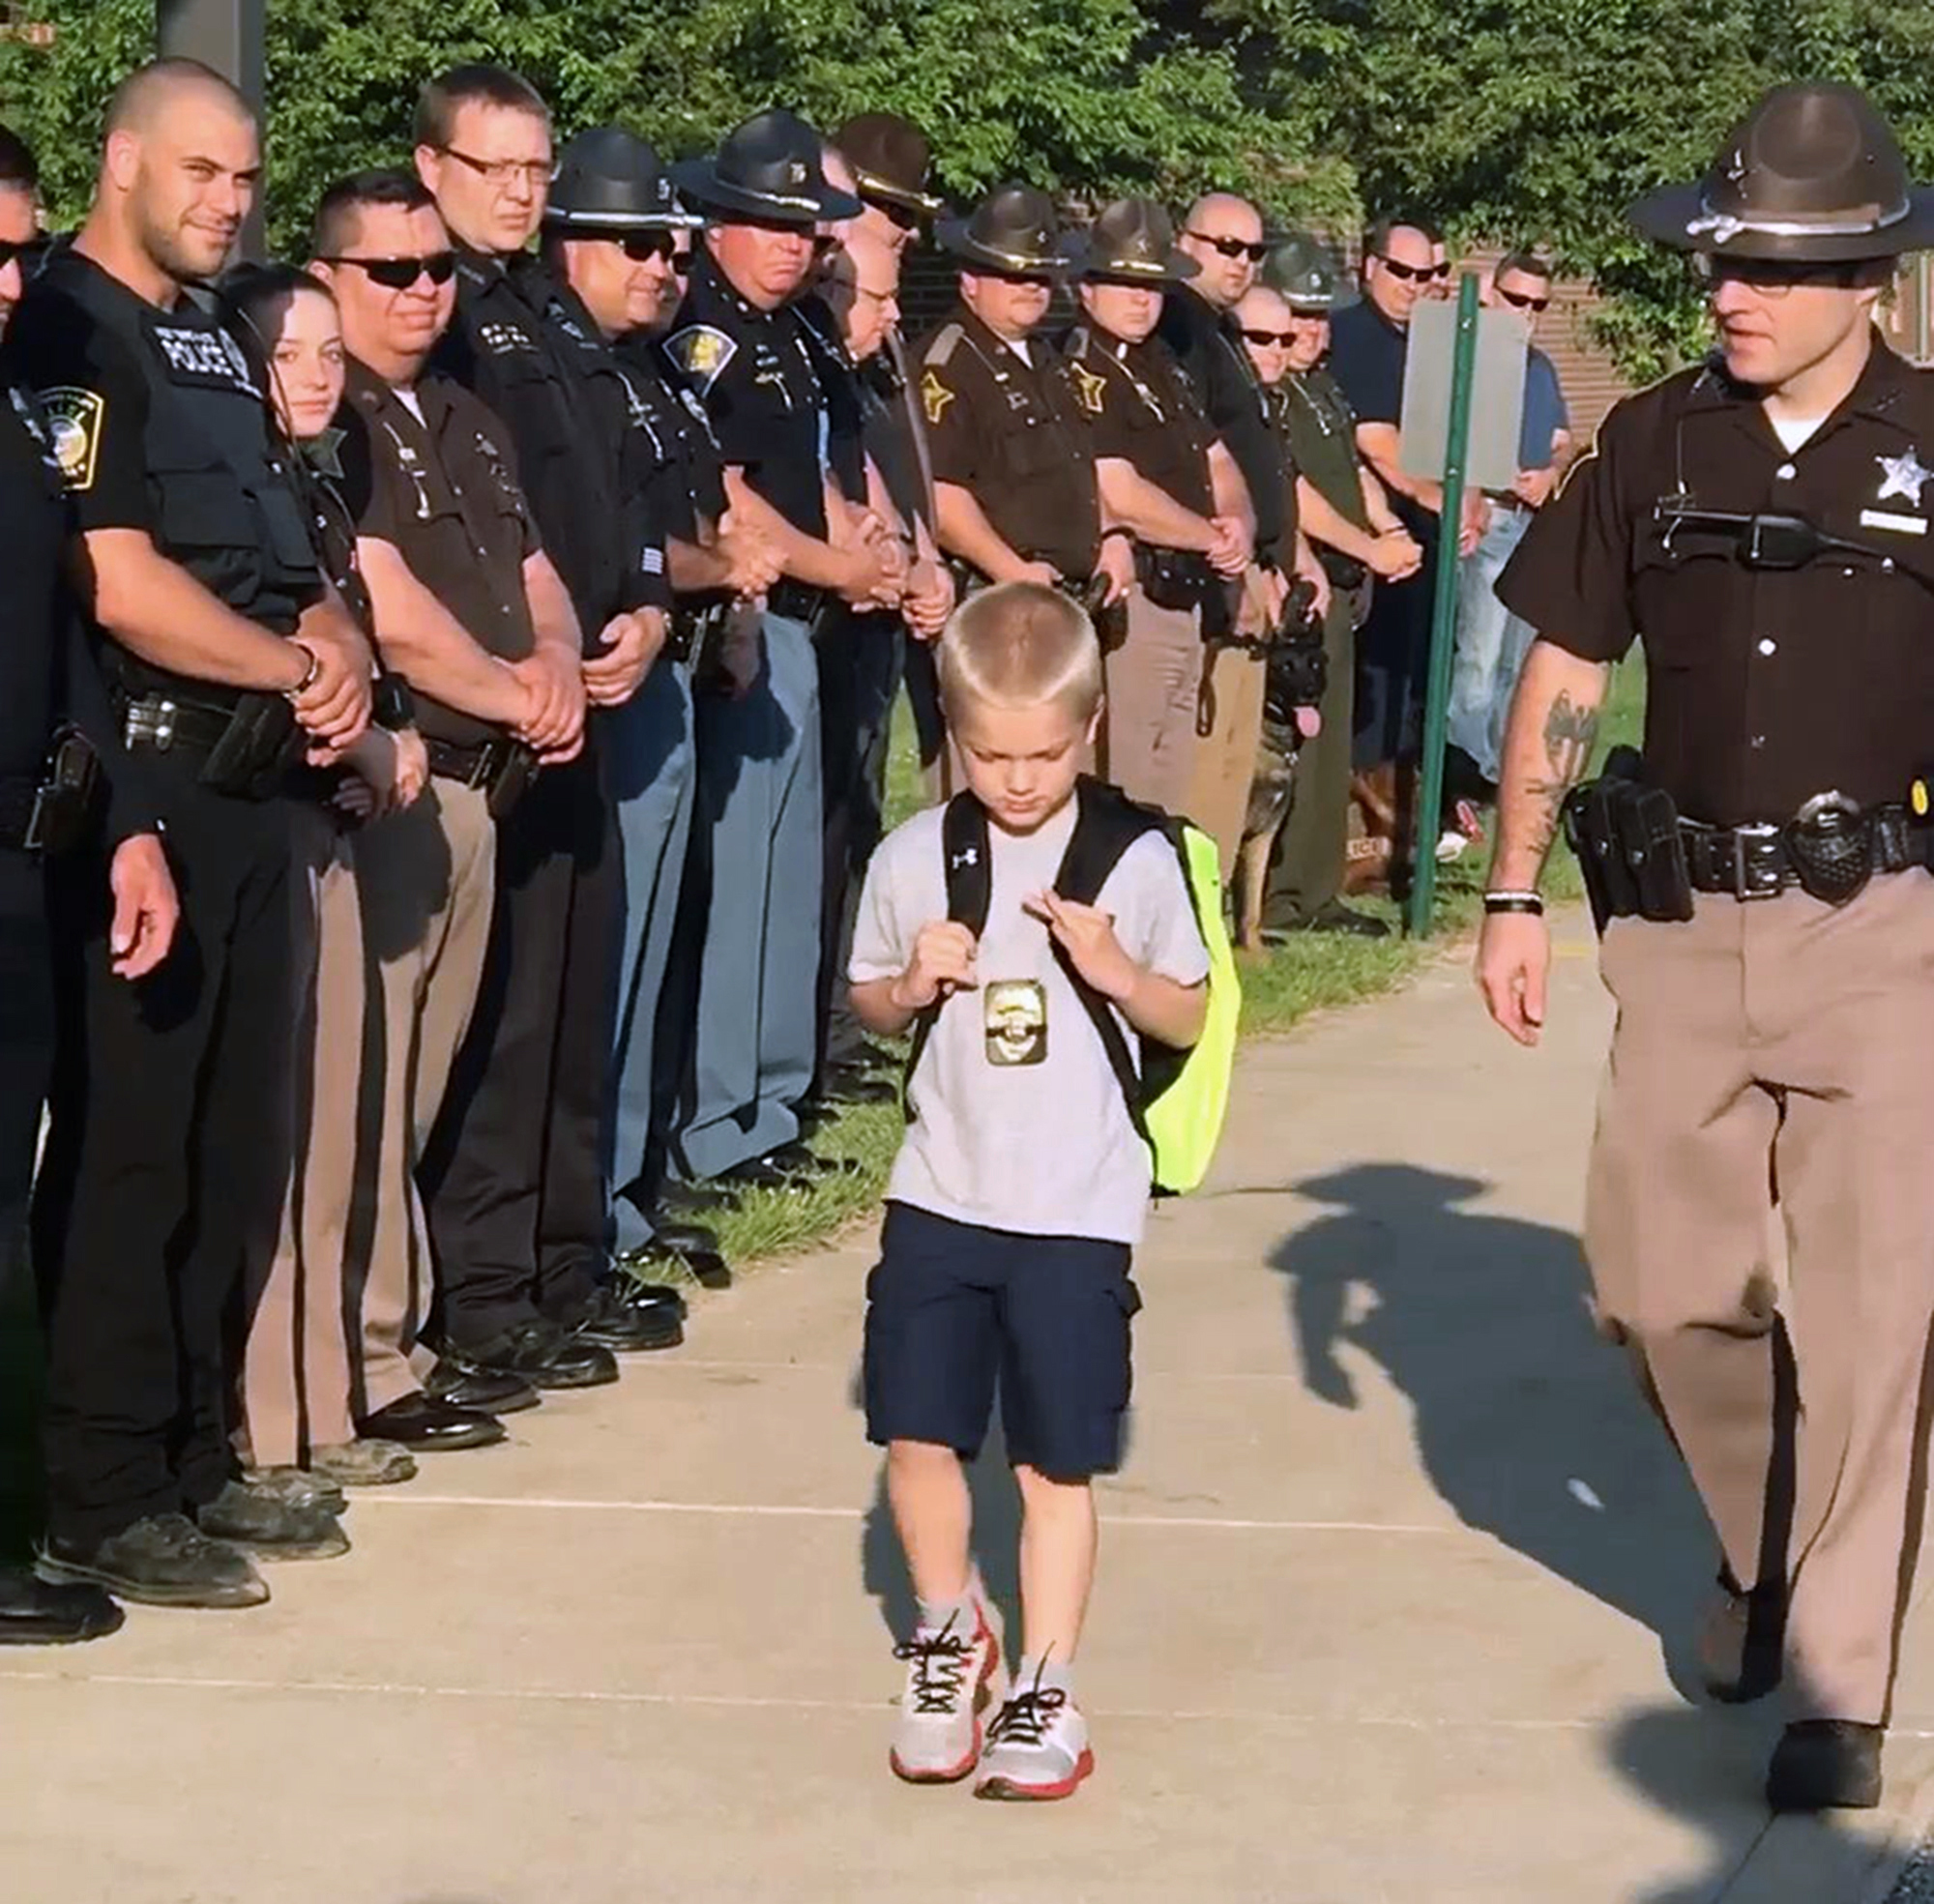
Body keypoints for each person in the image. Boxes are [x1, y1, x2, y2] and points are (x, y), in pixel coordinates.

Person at [1476, 80, 1934, 1814]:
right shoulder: (1653, 441)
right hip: (1678, 927)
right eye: (1716, 258)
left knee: (1884, 1309)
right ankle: (1757, 1541)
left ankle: (1837, 1669)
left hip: (1890, 931)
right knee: (1657, 1290)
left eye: (1761, 264)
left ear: (1864, 276)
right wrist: (1515, 887)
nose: (1724, 289)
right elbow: (1567, 670)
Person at [18, 59, 372, 1609]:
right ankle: (97, 1486)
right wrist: (293, 663)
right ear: (122, 160)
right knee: (131, 1155)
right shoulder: (68, 330)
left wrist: (334, 645)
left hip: (260, 787)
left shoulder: (217, 336)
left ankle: (190, 1459)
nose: (229, 202)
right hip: (146, 781)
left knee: (236, 1151)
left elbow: (274, 546)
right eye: (201, 173)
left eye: (246, 178)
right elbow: (110, 578)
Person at [848, 582, 1210, 1800]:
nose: (1015, 780)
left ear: (1091, 726)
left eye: (1043, 754)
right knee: (915, 1433)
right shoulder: (915, 855)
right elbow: (864, 999)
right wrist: (907, 985)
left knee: (1054, 1462)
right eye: (990, 754)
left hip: (1073, 1207)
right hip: (941, 1190)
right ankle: (948, 1628)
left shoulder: (1132, 857)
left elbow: (1189, 1012)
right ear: (951, 731)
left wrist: (1113, 967)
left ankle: (1047, 1681)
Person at [310, 166, 604, 1442]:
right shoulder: (343, 418)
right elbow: (382, 603)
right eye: (391, 271)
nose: (425, 291)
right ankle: (363, 1359)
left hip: (490, 784)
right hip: (405, 784)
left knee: (428, 1084)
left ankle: (397, 1331)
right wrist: (505, 686)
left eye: (435, 270)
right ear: (329, 276)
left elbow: (535, 566)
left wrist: (552, 661)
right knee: (366, 1093)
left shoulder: (465, 411)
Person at [416, 65, 672, 1385]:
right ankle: (485, 1289)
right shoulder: (431, 308)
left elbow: (617, 497)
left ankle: (563, 1263)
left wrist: (644, 611)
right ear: (432, 169)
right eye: (494, 167)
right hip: (498, 712)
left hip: (591, 692)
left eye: (535, 169)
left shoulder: (546, 313)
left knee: (575, 998)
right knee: (503, 1018)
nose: (520, 190)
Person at [220, 256, 462, 1488]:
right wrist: (374, 735)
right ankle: (271, 1425)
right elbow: (303, 665)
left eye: (329, 354)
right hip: (274, 822)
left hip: (336, 824)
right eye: (288, 354)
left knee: (341, 1131)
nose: (315, 377)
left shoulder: (308, 486)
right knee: (289, 1141)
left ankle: (326, 1405)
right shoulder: (244, 491)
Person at [0, 120, 172, 1643]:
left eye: (17, 249)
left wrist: (115, 810)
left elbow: (65, 631)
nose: (12, 281)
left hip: (32, 839)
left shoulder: (13, 403)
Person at [660, 108, 899, 1191]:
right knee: (740, 877)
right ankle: (717, 1124)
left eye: (806, 227)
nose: (793, 243)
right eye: (769, 221)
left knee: (787, 877)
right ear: (716, 220)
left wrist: (875, 542)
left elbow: (834, 465)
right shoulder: (698, 327)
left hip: (815, 626)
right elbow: (730, 493)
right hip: (753, 623)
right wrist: (836, 564)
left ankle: (771, 1104)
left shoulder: (799, 331)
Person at [535, 124, 744, 1290]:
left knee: (648, 950)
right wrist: (689, 586)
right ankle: (587, 1207)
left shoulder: (654, 368)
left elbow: (680, 521)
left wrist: (690, 597)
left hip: (665, 666)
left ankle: (619, 1190)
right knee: (596, 971)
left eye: (669, 245)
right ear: (568, 243)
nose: (662, 265)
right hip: (595, 681)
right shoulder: (565, 365)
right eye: (631, 244)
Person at [812, 212, 954, 1102]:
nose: (892, 317)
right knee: (821, 845)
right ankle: (819, 1038)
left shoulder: (857, 385)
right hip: (818, 624)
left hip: (875, 620)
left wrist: (919, 559)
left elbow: (886, 495)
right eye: (879, 298)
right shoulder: (810, 375)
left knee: (853, 827)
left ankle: (833, 1027)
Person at [1064, 198, 1252, 861]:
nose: (1141, 299)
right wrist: (1210, 536)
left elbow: (1218, 459)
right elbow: (1117, 491)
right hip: (1137, 592)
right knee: (1132, 778)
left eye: (1151, 284)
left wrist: (1238, 526)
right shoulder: (1085, 369)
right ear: (1087, 287)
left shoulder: (1161, 366)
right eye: (1124, 282)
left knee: (1172, 782)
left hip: (1189, 591)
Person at [1248, 240, 1421, 933]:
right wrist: (1368, 547)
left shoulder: (1320, 385)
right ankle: (1288, 894)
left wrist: (1386, 527)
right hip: (1307, 582)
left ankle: (1316, 891)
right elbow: (1298, 498)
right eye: (1300, 317)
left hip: (1347, 584)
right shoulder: (1269, 394)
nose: (1313, 331)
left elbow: (1353, 473)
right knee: (1301, 748)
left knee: (1330, 748)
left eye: (1322, 317)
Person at [1329, 218, 1484, 866]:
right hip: (1373, 541)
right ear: (1369, 267)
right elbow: (1376, 441)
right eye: (1401, 271)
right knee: (1377, 687)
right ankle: (1367, 839)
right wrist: (1438, 497)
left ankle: (1413, 822)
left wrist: (1469, 500)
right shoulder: (1354, 335)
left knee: (1420, 683)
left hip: (1426, 540)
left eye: (1427, 275)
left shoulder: (1427, 345)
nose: (1415, 286)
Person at [1447, 249, 1572, 790]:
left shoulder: (1540, 368)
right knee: (1477, 656)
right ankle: (1463, 775)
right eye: (1516, 298)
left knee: (1515, 663)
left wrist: (1551, 475)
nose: (1526, 311)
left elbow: (1561, 443)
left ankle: (1495, 773)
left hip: (1531, 524)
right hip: (1489, 518)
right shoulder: (1466, 362)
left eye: (1537, 303)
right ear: (1493, 294)